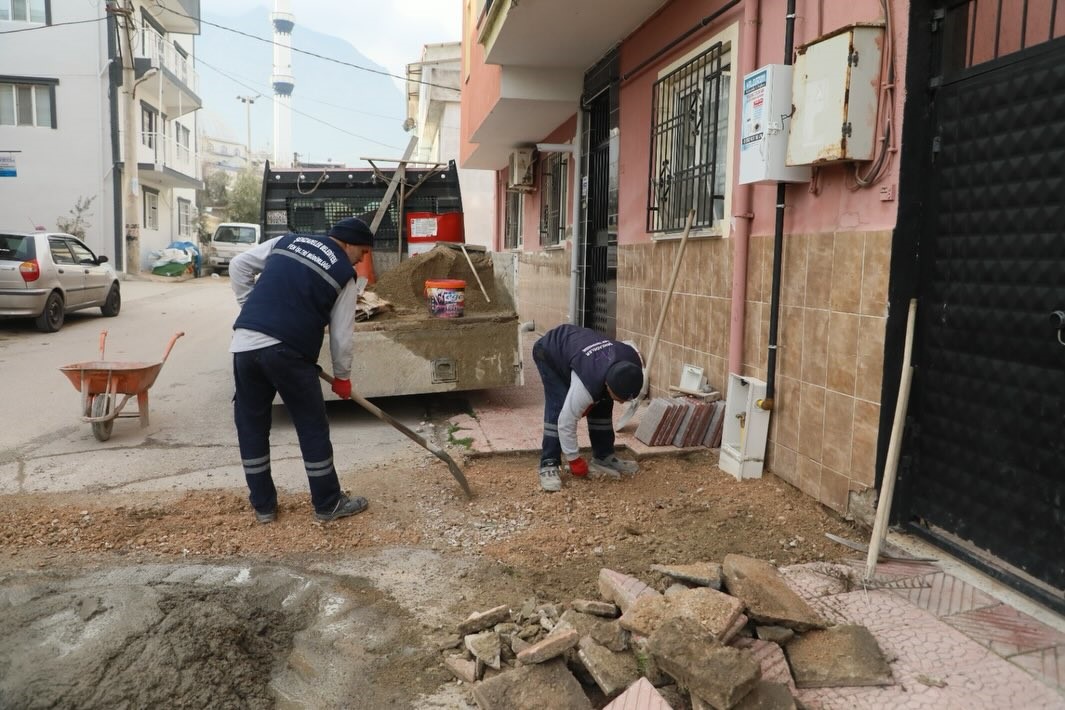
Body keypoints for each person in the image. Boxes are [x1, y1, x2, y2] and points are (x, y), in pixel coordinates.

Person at [229, 217, 372, 523]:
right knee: (311, 425)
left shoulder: (287, 241)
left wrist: (249, 306)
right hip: (289, 352)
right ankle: (328, 504)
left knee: (251, 426)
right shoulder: (344, 274)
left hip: (244, 344)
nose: (363, 258)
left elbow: (238, 265)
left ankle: (263, 507)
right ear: (347, 244)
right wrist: (343, 377)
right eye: (362, 250)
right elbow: (341, 336)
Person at [532, 324, 644, 492]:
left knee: (604, 403)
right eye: (619, 398)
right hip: (550, 351)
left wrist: (595, 402)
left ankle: (603, 456)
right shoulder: (587, 383)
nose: (621, 403)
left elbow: (610, 392)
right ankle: (549, 463)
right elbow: (566, 421)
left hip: (583, 351)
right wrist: (574, 460)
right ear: (607, 383)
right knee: (559, 405)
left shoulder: (631, 361)